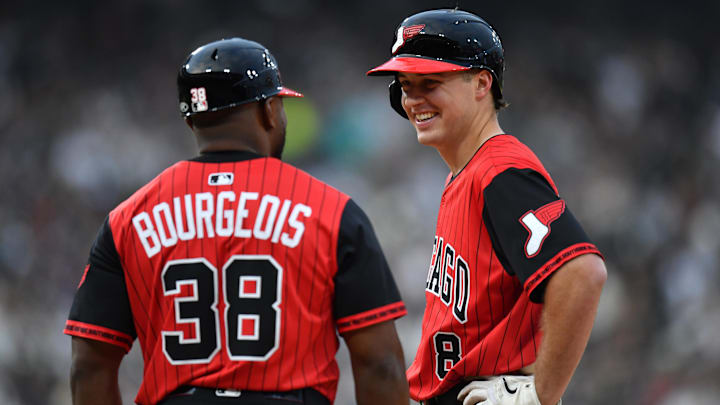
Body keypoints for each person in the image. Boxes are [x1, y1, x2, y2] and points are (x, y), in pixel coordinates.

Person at [65, 37, 410, 405]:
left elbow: (89, 366)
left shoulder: (128, 218)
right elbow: (380, 364)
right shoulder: (331, 210)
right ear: (269, 111)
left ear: (191, 119)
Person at [367, 9, 607, 405]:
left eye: (430, 82)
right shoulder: (467, 173)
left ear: (481, 83)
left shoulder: (501, 169)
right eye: (405, 85)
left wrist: (541, 392)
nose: (413, 99)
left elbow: (582, 273)